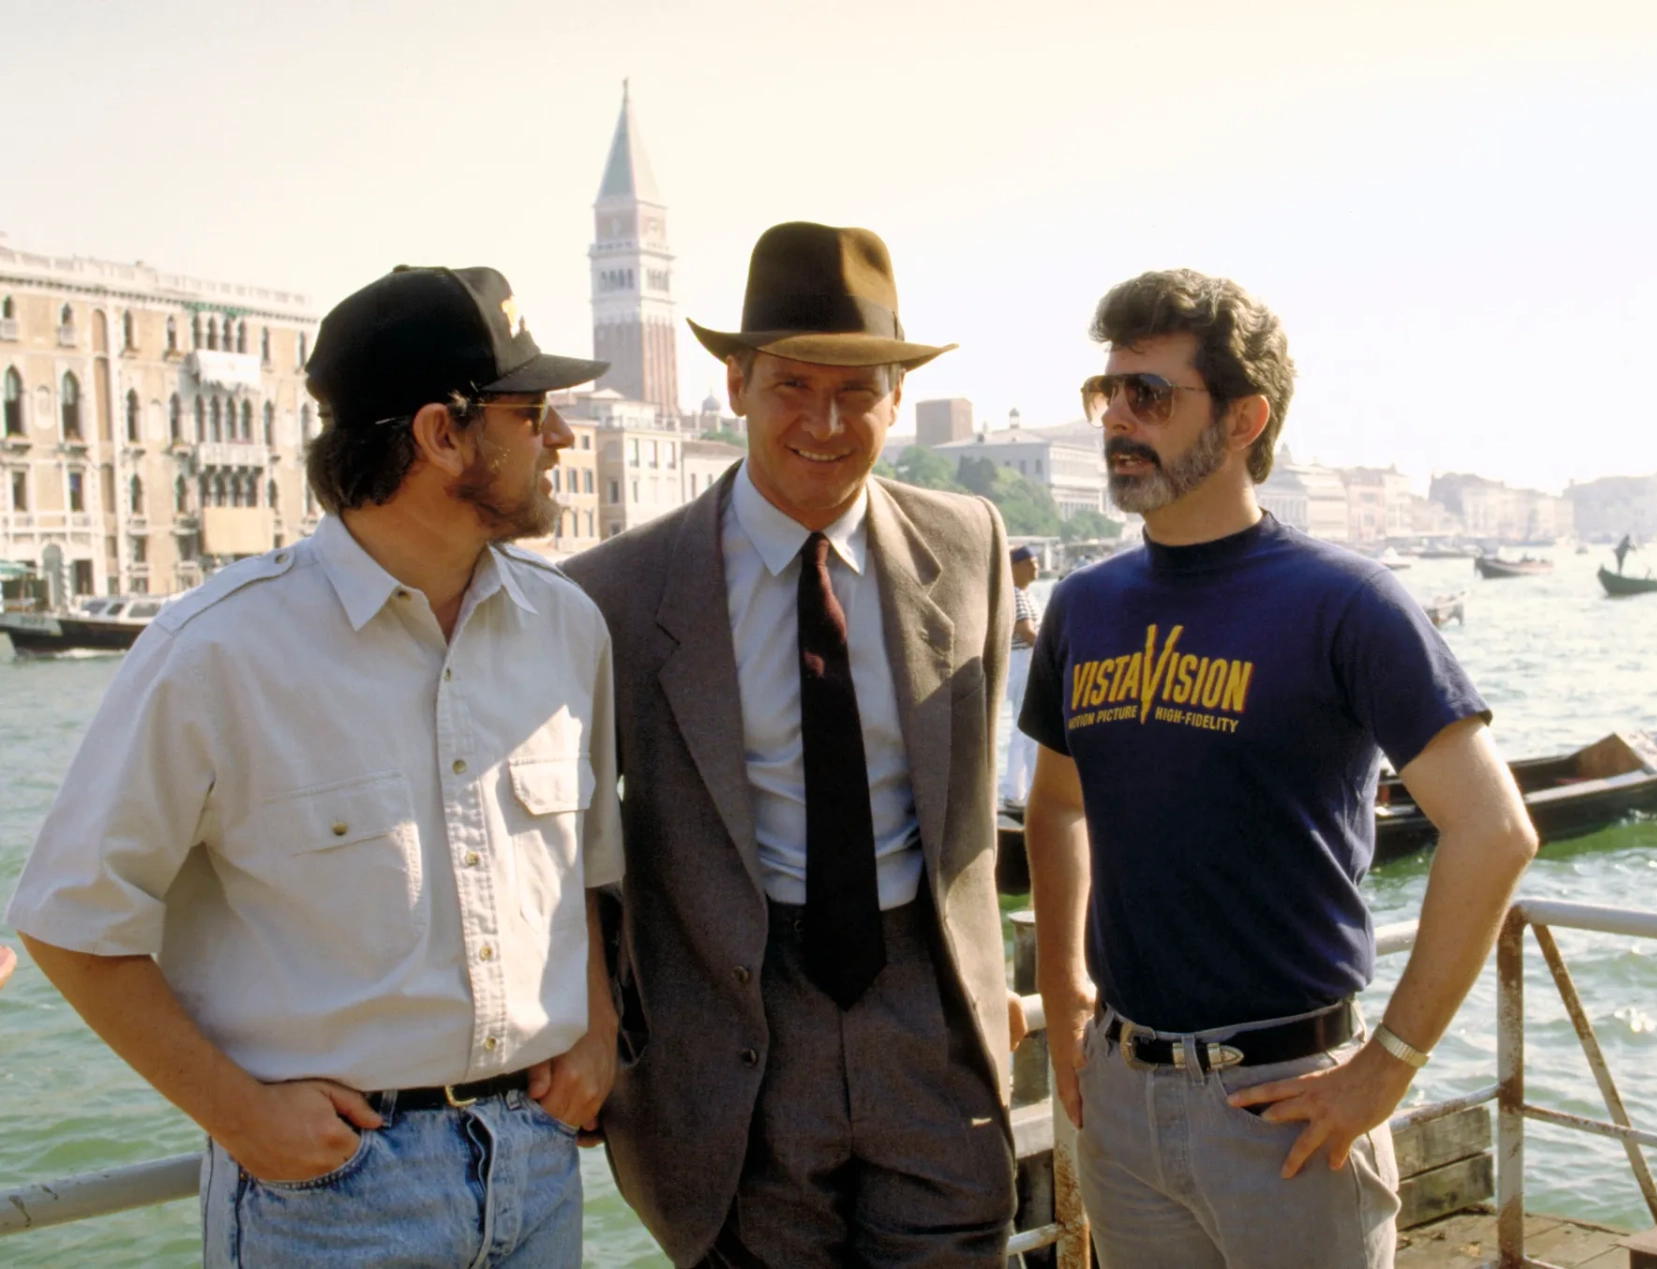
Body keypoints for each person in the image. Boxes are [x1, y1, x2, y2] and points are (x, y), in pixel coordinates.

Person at [6, 266, 624, 1267]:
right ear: (441, 434)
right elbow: (71, 921)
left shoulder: (569, 629)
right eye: (533, 411)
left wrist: (597, 1033)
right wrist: (241, 1117)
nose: (560, 438)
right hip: (330, 1192)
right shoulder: (216, 650)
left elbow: (583, 872)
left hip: (539, 1161)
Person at [1021, 269, 1538, 1269]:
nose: (1119, 421)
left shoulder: (1346, 604)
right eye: (1109, 392)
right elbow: (1056, 806)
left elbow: (1495, 830)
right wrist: (1066, 992)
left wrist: (1388, 1064)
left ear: (1246, 417)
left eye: (1151, 396)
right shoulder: (1083, 610)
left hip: (1290, 1107)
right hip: (1122, 1098)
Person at [565, 222, 1018, 1268]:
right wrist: (600, 1034)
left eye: (859, 390)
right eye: (793, 386)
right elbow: (577, 852)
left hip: (933, 1034)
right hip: (730, 1051)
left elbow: (980, 799)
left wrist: (1000, 991)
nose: (826, 420)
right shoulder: (615, 597)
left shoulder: (972, 545)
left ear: (896, 399)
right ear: (735, 384)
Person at [1000, 544, 1042, 809]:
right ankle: (1016, 792)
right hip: (1022, 664)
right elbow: (1027, 633)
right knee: (1024, 728)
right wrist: (1055, 653)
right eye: (1030, 563)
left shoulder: (1022, 594)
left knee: (1025, 728)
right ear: (1014, 567)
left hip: (1022, 664)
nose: (1035, 568)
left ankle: (1019, 790)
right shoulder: (1015, 594)